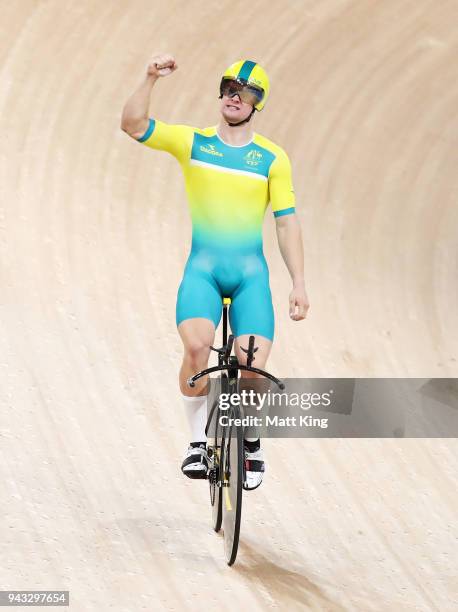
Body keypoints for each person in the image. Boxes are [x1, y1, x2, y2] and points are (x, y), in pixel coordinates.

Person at [121, 54, 309, 489]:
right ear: (220, 93)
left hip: (250, 279)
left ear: (257, 103)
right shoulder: (194, 143)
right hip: (203, 272)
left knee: (251, 368)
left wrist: (298, 282)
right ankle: (196, 443)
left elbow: (286, 221)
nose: (234, 97)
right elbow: (133, 125)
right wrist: (149, 78)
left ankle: (251, 439)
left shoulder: (271, 158)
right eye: (228, 88)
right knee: (197, 351)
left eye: (245, 93)